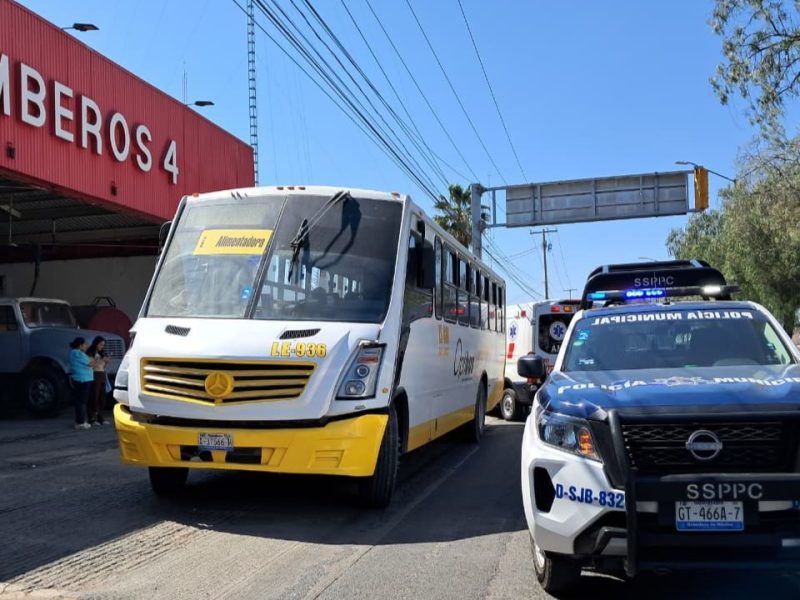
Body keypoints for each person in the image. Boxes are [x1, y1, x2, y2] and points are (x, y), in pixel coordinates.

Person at [68, 337, 96, 430]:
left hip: (82, 379)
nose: (86, 346)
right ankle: (80, 422)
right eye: (85, 344)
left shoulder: (76, 353)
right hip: (82, 379)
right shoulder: (77, 353)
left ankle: (80, 421)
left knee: (80, 401)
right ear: (80, 345)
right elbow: (91, 363)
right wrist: (96, 360)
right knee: (82, 402)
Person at [86, 336, 110, 426]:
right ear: (96, 343)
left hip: (102, 374)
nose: (102, 346)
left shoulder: (102, 353)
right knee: (94, 397)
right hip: (94, 375)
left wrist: (106, 362)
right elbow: (91, 365)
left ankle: (100, 417)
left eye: (103, 345)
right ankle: (92, 418)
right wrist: (101, 360)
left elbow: (103, 367)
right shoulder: (90, 353)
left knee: (102, 397)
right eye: (100, 344)